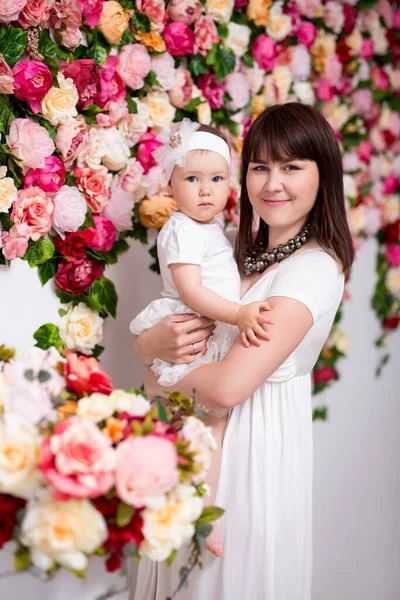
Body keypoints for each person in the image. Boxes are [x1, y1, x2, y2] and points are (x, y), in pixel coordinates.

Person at [131, 103, 354, 600]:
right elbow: (170, 330)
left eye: (292, 167)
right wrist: (146, 343)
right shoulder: (228, 246)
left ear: (324, 177)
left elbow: (229, 388)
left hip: (253, 453)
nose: (272, 184)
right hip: (190, 439)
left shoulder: (314, 267)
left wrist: (151, 373)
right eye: (260, 167)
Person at [129, 119, 273, 556]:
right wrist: (239, 313)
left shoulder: (209, 228)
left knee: (206, 426)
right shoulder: (180, 229)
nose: (206, 190)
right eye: (192, 179)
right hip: (194, 328)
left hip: (208, 330)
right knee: (204, 421)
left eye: (216, 179)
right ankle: (196, 511)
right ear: (170, 183)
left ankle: (194, 506)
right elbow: (191, 290)